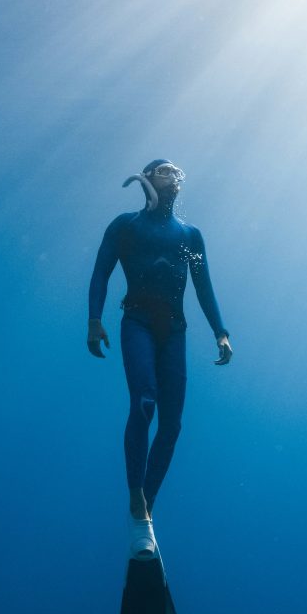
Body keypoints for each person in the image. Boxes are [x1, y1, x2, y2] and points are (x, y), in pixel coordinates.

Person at [87, 159, 232, 558]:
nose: (173, 175)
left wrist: (221, 331)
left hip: (175, 331)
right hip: (136, 321)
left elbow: (204, 287)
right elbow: (101, 272)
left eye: (175, 171)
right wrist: (94, 319)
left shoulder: (190, 235)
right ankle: (136, 502)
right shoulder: (125, 225)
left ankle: (145, 511)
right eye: (163, 170)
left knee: (172, 425)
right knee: (145, 401)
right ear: (146, 178)